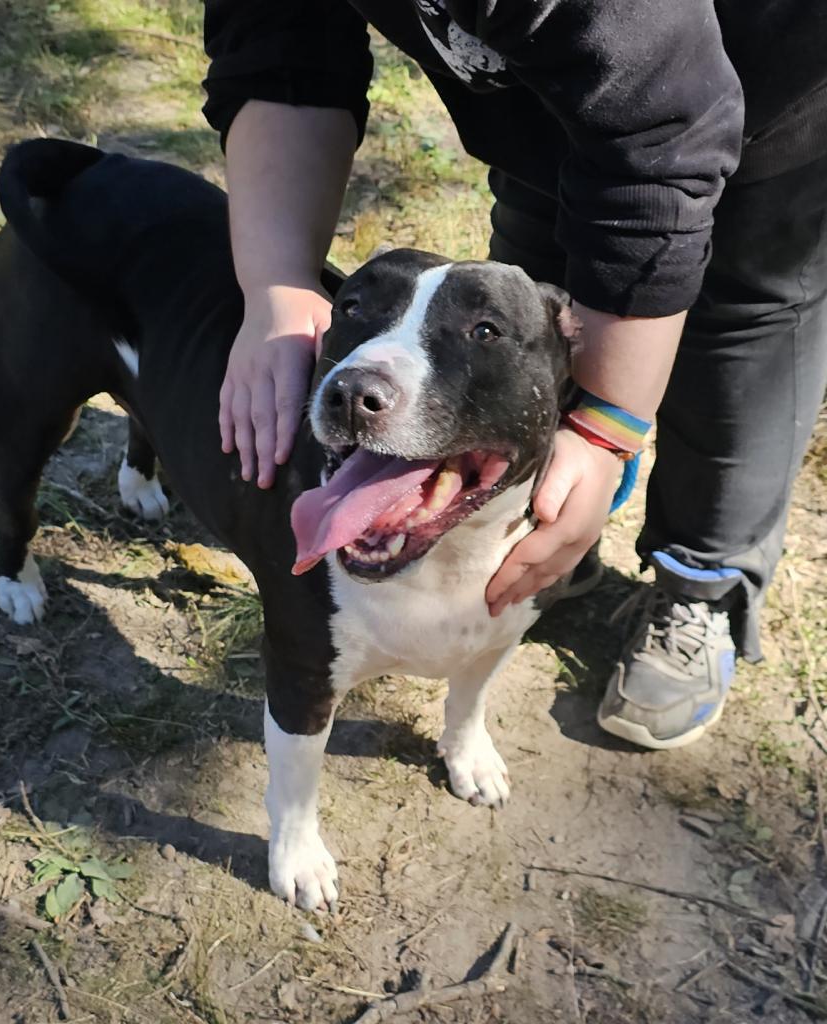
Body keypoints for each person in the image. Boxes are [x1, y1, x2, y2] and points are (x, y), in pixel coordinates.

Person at [200, 0, 827, 750]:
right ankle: (539, 523)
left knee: (741, 316)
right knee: (527, 301)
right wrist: (277, 287)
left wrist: (605, 432)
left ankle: (701, 584)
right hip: (545, 97)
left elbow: (665, 138)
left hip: (765, 93)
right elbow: (280, 42)